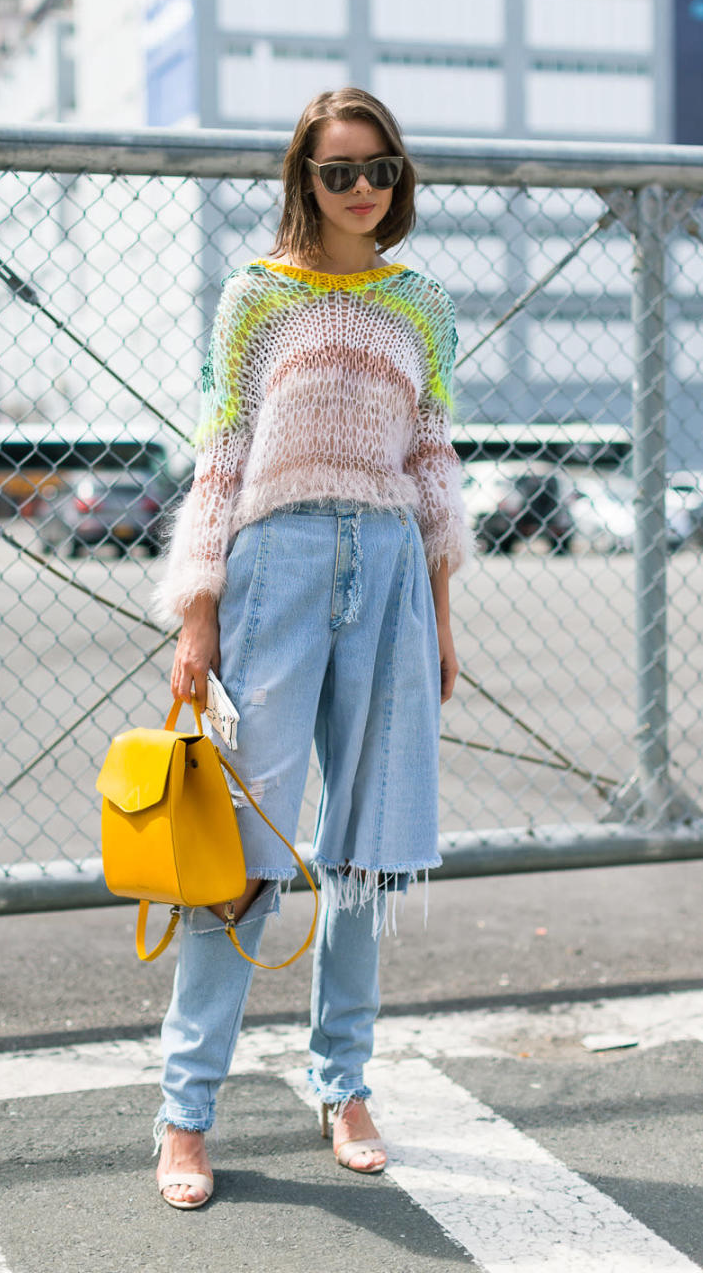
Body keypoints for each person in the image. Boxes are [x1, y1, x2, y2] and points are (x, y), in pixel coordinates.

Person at [149, 86, 467, 1209]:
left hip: (386, 571)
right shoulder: (256, 299)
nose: (364, 188)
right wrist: (198, 612)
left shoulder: (421, 301)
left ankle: (345, 1085)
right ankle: (187, 1114)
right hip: (273, 569)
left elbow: (432, 459)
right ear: (304, 179)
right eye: (340, 171)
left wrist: (440, 605)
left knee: (368, 847)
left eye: (380, 167)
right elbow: (220, 454)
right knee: (241, 857)